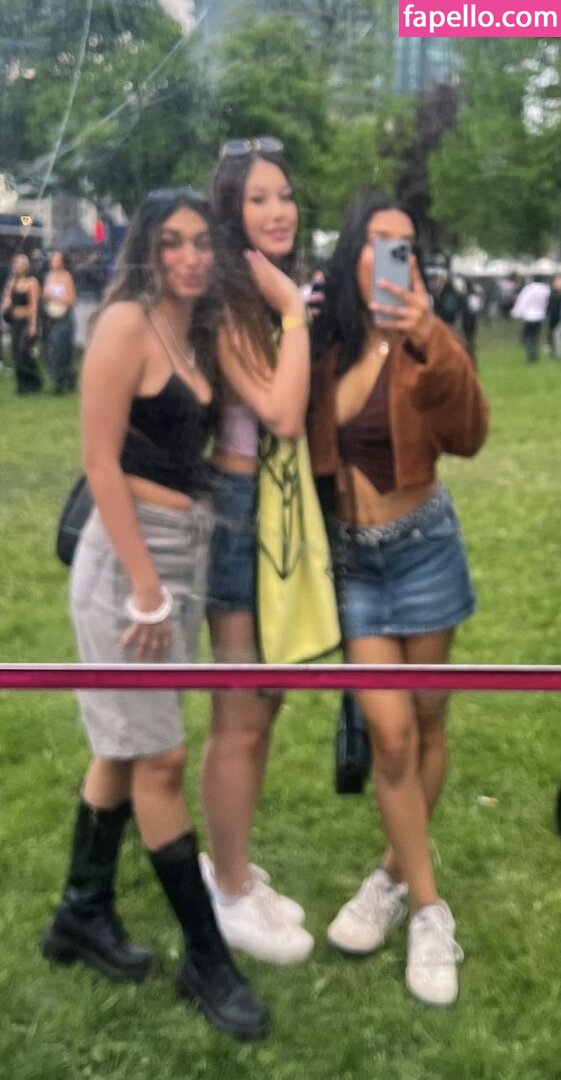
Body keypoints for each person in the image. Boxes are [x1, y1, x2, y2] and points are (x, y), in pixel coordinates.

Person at [40, 189, 269, 1041]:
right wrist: (143, 586)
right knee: (162, 758)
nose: (189, 257)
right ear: (144, 247)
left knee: (123, 744)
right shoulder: (126, 324)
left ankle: (81, 912)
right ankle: (207, 961)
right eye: (171, 242)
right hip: (127, 566)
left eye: (201, 242)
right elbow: (99, 461)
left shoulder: (192, 330)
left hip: (184, 553)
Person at [308, 195, 489, 1007]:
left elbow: (469, 433)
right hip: (354, 562)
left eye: (406, 244)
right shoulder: (324, 341)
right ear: (352, 252)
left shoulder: (427, 339)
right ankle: (427, 909)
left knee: (426, 724)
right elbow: (311, 429)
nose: (394, 255)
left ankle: (389, 874)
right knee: (388, 736)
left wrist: (426, 338)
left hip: (424, 548)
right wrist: (374, 342)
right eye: (379, 242)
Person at [199, 137, 314, 965]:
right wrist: (295, 312)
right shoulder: (230, 302)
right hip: (236, 512)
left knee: (264, 703)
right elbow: (280, 413)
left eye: (284, 195)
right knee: (239, 714)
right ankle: (230, 893)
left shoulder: (260, 292)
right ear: (229, 213)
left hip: (276, 510)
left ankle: (232, 865)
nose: (278, 211)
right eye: (258, 199)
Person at [1, 253, 43, 394]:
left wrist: (33, 325)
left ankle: (34, 381)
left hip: (27, 320)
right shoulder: (12, 282)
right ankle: (22, 384)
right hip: (15, 320)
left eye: (22, 264)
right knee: (15, 353)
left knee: (23, 351)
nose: (20, 267)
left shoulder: (32, 282)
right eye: (17, 264)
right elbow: (7, 299)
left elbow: (34, 305)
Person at [42, 250, 77, 394]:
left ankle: (61, 381)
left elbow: (71, 300)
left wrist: (55, 296)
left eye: (57, 260)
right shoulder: (49, 276)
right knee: (52, 348)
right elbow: (45, 295)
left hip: (64, 317)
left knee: (61, 349)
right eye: (53, 260)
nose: (55, 263)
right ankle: (65, 376)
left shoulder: (66, 277)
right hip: (51, 317)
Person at [510, 275, 550, 363]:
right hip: (540, 316)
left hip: (529, 316)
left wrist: (515, 313)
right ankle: (534, 353)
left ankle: (531, 352)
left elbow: (522, 301)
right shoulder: (546, 289)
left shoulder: (529, 289)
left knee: (525, 337)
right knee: (535, 336)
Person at [546, 273, 561, 359]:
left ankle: (558, 353)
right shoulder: (552, 292)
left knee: (556, 334)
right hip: (554, 316)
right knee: (553, 333)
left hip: (558, 316)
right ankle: (554, 350)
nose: (557, 283)